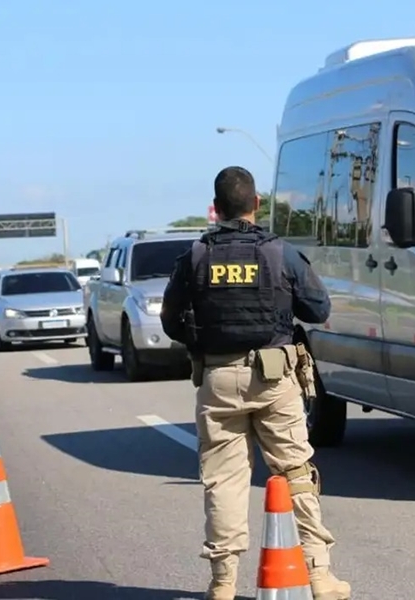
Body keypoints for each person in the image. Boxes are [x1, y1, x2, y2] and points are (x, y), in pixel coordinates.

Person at [160, 166, 351, 600]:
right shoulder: (279, 253)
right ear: (256, 204)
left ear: (216, 208)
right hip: (274, 376)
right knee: (295, 472)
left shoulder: (195, 257)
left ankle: (223, 583)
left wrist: (204, 342)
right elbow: (319, 309)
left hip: (218, 376)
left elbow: (171, 320)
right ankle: (319, 576)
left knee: (224, 481)